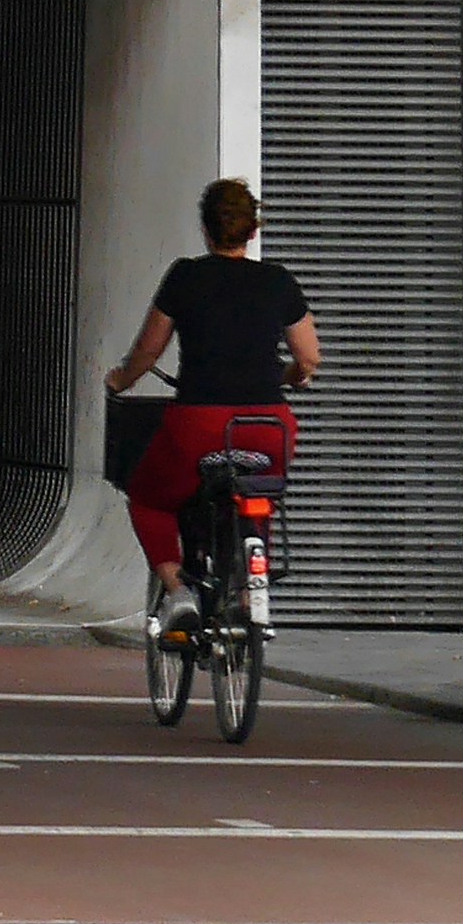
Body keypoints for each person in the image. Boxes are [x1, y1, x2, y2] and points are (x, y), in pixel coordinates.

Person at [105, 178, 318, 633]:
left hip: (198, 428)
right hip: (268, 427)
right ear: (254, 230)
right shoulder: (278, 281)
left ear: (205, 229)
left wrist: (120, 379)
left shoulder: (186, 276)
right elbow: (308, 358)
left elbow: (148, 351)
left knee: (148, 499)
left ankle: (178, 591)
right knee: (256, 495)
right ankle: (249, 592)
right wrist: (288, 377)